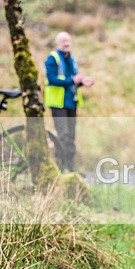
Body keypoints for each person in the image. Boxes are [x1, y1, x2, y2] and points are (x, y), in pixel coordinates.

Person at [44, 31, 93, 173]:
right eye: (63, 41)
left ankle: (71, 167)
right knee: (63, 135)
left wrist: (83, 82)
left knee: (71, 136)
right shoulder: (52, 58)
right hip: (58, 103)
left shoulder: (72, 59)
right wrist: (73, 80)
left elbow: (73, 81)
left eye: (68, 41)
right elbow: (51, 79)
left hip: (71, 102)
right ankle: (60, 166)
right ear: (57, 43)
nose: (66, 43)